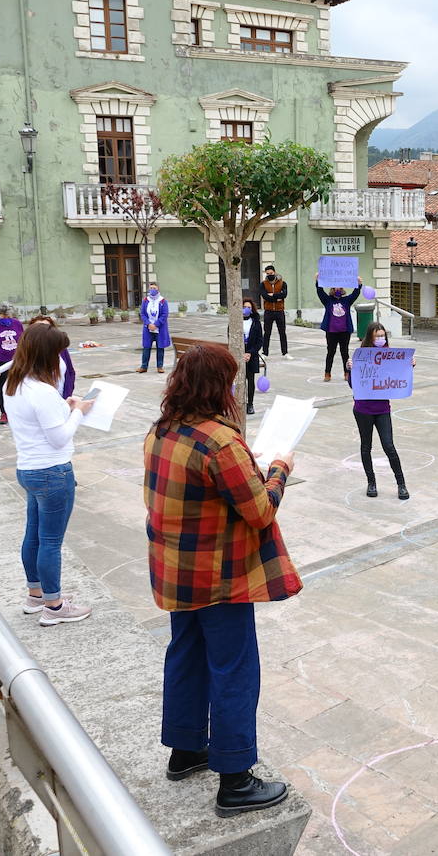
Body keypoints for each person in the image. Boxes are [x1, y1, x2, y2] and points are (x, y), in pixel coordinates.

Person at [143, 341, 301, 816]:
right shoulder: (220, 442)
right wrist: (279, 469)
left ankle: (186, 748)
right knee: (234, 670)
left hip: (176, 572)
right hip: (219, 576)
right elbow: (260, 511)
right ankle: (235, 779)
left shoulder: (162, 430)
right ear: (219, 387)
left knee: (186, 655)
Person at [4, 323, 95, 626]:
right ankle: (54, 606)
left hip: (28, 469)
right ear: (47, 356)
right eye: (57, 353)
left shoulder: (14, 384)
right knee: (51, 541)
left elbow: (40, 423)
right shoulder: (42, 391)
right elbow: (59, 438)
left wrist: (66, 407)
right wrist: (79, 411)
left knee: (33, 534)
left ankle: (36, 595)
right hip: (52, 472)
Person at [345, 322, 410, 500]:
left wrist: (409, 365)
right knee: (366, 446)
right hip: (363, 409)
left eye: (383, 336)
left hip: (382, 409)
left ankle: (401, 484)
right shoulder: (361, 356)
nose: (381, 339)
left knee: (389, 446)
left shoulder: (390, 355)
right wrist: (350, 369)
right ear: (370, 338)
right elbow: (353, 385)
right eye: (377, 336)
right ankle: (371, 482)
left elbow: (399, 374)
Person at [315, 271, 361, 382]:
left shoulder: (347, 300)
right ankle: (327, 373)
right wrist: (317, 281)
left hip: (344, 331)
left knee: (345, 353)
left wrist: (359, 284)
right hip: (331, 331)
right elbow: (320, 291)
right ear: (332, 289)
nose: (338, 289)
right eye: (336, 288)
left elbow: (355, 293)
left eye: (340, 288)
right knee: (330, 352)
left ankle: (347, 373)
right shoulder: (327, 300)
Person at [0, 303, 24, 425]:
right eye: (3, 315)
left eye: (8, 315)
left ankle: (19, 411)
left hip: (18, 359)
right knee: (3, 386)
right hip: (1, 360)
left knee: (20, 384)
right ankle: (4, 413)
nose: (5, 317)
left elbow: (23, 340)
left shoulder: (17, 323)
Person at [27, 315, 76, 398]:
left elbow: (70, 371)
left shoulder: (61, 349)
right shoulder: (28, 354)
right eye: (39, 328)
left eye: (47, 328)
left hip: (63, 399)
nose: (44, 332)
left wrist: (67, 394)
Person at [139, 283, 171, 374]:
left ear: (158, 289)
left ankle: (160, 366)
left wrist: (156, 324)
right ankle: (144, 366)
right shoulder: (145, 300)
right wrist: (148, 323)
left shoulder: (162, 301)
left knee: (160, 347)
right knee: (146, 347)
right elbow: (142, 314)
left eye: (154, 288)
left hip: (160, 328)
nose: (152, 290)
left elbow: (164, 314)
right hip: (148, 328)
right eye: (151, 288)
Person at [240, 296, 263, 416]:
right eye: (244, 307)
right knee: (239, 380)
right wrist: (241, 353)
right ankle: (239, 403)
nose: (246, 309)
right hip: (239, 353)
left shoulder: (256, 322)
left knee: (250, 380)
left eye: (248, 307)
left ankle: (250, 404)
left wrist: (249, 353)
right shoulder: (236, 321)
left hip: (251, 354)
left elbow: (260, 341)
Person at [260, 265, 288, 358]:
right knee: (267, 333)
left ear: (275, 272)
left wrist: (272, 295)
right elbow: (265, 296)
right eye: (267, 274)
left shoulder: (283, 283)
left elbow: (284, 295)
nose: (269, 275)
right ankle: (265, 353)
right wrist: (277, 297)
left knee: (282, 332)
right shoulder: (263, 284)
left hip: (280, 311)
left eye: (271, 273)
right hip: (268, 311)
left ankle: (285, 352)